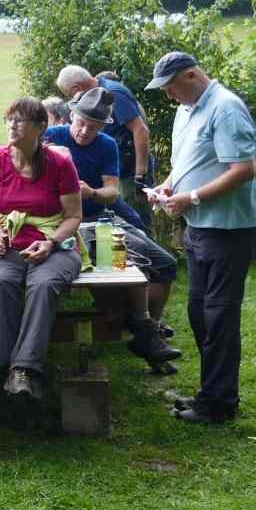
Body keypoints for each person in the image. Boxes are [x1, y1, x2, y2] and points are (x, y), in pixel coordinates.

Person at [145, 52, 256, 426]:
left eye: (171, 87)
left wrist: (192, 197)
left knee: (219, 316)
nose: (169, 96)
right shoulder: (187, 109)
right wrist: (168, 187)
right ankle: (210, 393)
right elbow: (188, 163)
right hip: (198, 227)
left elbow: (243, 169)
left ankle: (220, 403)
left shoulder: (226, 109)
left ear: (192, 75)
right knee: (199, 313)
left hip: (227, 229)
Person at [43, 87, 182, 363]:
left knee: (165, 263)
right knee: (130, 261)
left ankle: (146, 330)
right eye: (81, 123)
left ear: (103, 127)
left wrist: (91, 192)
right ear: (71, 115)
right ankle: (140, 328)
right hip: (65, 223)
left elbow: (112, 192)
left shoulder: (107, 145)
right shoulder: (52, 136)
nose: (85, 131)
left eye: (93, 127)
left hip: (99, 218)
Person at [0, 97, 84, 402]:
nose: (12, 125)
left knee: (43, 284)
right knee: (1, 283)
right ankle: (19, 371)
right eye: (9, 119)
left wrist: (51, 243)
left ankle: (21, 369)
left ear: (40, 127)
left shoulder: (60, 164)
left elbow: (74, 216)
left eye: (20, 120)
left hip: (56, 245)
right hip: (10, 245)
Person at [56, 64, 153, 188]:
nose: (73, 98)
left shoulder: (112, 93)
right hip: (115, 170)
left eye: (70, 94)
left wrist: (140, 176)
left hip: (130, 173)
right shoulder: (99, 92)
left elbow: (140, 130)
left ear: (77, 88)